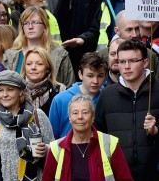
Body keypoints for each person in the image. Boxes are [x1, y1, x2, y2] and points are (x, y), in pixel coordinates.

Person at [95, 39, 159, 178]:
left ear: (145, 62)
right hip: (117, 174)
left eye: (133, 61)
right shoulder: (106, 95)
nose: (126, 66)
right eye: (122, 62)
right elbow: (97, 136)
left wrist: (156, 131)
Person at [43, 95, 133, 181]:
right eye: (75, 113)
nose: (80, 117)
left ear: (93, 117)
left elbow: (125, 178)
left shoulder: (110, 143)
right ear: (69, 118)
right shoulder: (56, 148)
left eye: (85, 112)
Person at [0, 70, 54, 181]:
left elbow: (54, 149)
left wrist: (46, 150)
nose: (4, 95)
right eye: (0, 90)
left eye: (10, 90)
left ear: (20, 91)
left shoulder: (37, 115)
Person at [3, 6, 75, 87]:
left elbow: (69, 88)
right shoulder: (10, 55)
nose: (30, 27)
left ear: (45, 27)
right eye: (26, 23)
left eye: (35, 22)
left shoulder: (60, 54)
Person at [48, 53, 107, 137]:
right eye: (90, 76)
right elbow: (52, 136)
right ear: (80, 74)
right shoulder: (60, 100)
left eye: (100, 76)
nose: (95, 81)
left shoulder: (108, 98)